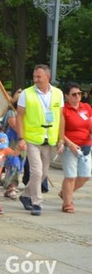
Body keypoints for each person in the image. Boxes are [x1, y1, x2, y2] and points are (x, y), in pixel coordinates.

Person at [16, 64, 64, 216]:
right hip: (32, 138)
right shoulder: (27, 93)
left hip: (49, 139)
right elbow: (19, 116)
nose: (35, 79)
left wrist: (60, 138)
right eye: (34, 76)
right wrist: (21, 138)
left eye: (39, 77)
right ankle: (37, 203)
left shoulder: (58, 93)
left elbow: (61, 117)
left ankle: (24, 196)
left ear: (47, 77)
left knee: (43, 172)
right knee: (36, 171)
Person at [58, 82, 92, 213]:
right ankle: (67, 203)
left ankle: (66, 193)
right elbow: (59, 132)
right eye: (74, 94)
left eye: (79, 93)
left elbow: (90, 125)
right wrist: (70, 144)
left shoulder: (87, 107)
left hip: (85, 145)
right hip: (69, 146)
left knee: (85, 175)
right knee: (70, 175)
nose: (77, 96)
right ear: (66, 96)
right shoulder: (63, 110)